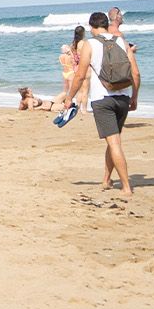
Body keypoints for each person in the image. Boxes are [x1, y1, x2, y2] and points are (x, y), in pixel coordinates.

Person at [58, 12, 140, 196]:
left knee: (114, 142)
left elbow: (79, 75)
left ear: (92, 27)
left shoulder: (90, 44)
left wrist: (70, 97)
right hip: (123, 97)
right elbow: (135, 73)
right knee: (114, 140)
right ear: (106, 24)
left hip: (102, 99)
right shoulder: (121, 41)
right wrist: (134, 96)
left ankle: (126, 187)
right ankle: (106, 179)